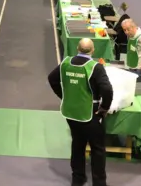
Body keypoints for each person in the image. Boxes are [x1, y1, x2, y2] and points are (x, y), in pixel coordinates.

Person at [47, 38, 113, 186]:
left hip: (71, 113)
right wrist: (104, 108)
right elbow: (107, 89)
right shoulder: (95, 67)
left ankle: (78, 178)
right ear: (93, 50)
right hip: (91, 113)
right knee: (97, 148)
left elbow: (52, 79)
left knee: (77, 143)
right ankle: (99, 182)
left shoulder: (65, 63)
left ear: (77, 48)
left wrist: (64, 96)